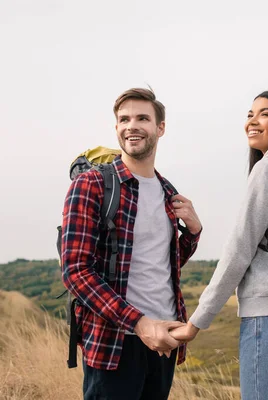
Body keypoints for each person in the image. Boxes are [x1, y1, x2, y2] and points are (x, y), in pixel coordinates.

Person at [170, 90, 268, 399]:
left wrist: (195, 323)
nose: (252, 121)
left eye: (265, 113)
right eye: (249, 114)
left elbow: (238, 253)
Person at [61, 88, 202, 400]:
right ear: (116, 128)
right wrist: (139, 323)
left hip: (164, 338)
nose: (131, 126)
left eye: (142, 118)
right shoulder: (92, 184)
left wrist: (193, 232)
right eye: (124, 119)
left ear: (160, 128)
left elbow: (163, 264)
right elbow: (75, 271)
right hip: (115, 342)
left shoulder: (168, 191)